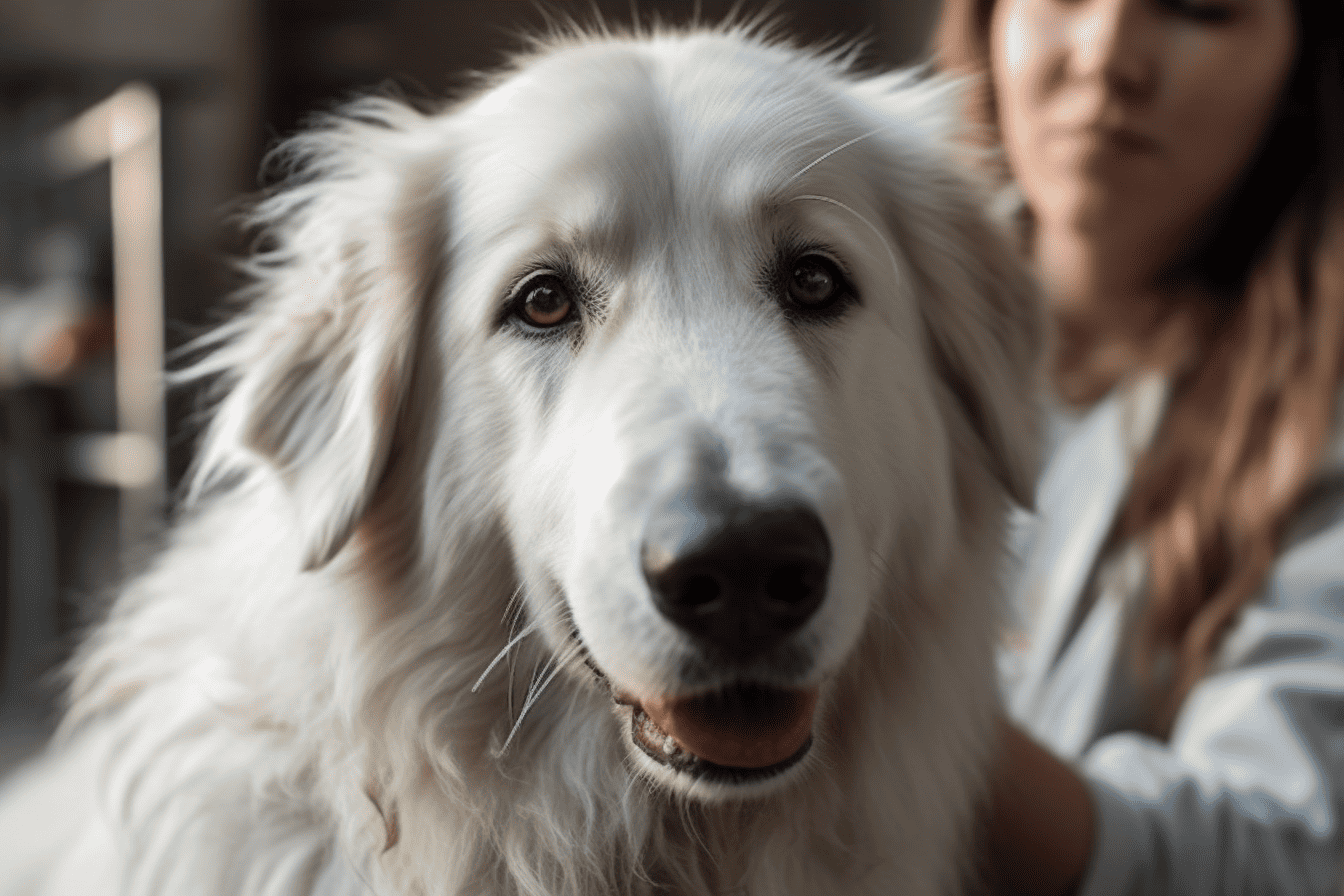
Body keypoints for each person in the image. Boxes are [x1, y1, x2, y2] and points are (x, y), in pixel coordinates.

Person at [933, 0, 1344, 893]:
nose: (1108, 54)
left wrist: (889, 708)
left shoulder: (1319, 433)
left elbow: (1292, 855)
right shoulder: (840, 303)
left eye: (1197, 8)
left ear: (1304, 67)